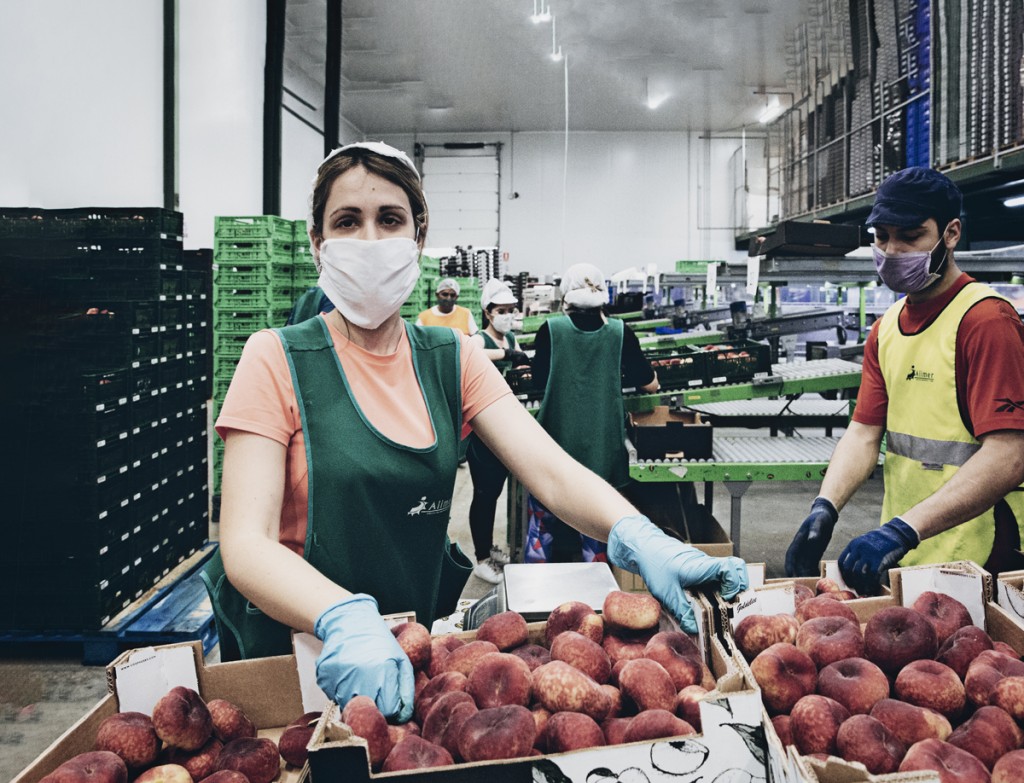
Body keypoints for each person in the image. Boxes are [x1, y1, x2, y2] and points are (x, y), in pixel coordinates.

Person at [203, 141, 747, 724]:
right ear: (318, 243)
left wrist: (640, 538)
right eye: (346, 222)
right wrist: (340, 615)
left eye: (389, 219)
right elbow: (245, 543)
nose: (369, 240)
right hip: (292, 659)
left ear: (418, 235)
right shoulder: (275, 359)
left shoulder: (452, 358)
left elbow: (552, 472)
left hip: (408, 662)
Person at [785, 166, 1024, 594]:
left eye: (911, 236)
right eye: (881, 236)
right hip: (908, 553)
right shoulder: (888, 327)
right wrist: (825, 507)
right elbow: (862, 434)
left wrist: (902, 530)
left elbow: (1010, 455)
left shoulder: (986, 321)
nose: (892, 250)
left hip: (982, 554)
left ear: (950, 234)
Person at [525, 263, 661, 563]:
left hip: (553, 449)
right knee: (597, 530)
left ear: (566, 296)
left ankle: (533, 596)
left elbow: (536, 382)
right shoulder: (620, 332)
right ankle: (599, 599)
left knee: (541, 530)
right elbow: (649, 383)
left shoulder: (551, 330)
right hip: (601, 450)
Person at [465, 278, 531, 584]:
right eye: (501, 310)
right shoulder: (481, 340)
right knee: (484, 492)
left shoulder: (512, 340)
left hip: (509, 424)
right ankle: (480, 558)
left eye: (511, 310)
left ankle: (490, 548)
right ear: (488, 313)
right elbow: (470, 353)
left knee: (497, 492)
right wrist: (508, 357)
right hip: (483, 430)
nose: (507, 315)